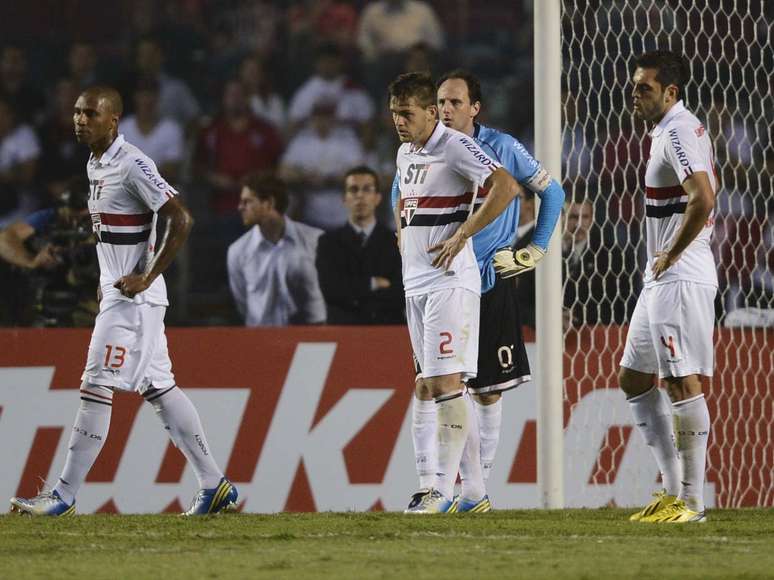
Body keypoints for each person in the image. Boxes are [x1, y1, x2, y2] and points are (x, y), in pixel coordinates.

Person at [9, 86, 236, 516]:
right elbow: (115, 233)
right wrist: (107, 275)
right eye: (76, 112)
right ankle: (214, 483)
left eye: (90, 113)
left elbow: (180, 217)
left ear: (113, 120)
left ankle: (63, 495)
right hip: (121, 293)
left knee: (96, 384)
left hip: (133, 300)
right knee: (159, 387)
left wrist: (145, 276)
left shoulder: (132, 163)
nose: (79, 120)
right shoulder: (96, 163)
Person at [396, 70, 565, 513]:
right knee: (432, 385)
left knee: (477, 388)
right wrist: (402, 232)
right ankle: (467, 490)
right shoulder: (408, 151)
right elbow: (403, 197)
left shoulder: (491, 147)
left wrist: (535, 249)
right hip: (423, 281)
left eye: (455, 103)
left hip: (478, 275)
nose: (448, 109)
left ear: (474, 107)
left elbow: (535, 190)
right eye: (442, 102)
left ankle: (454, 489)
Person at [622, 51, 718, 523]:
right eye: (634, 86)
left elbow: (704, 196)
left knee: (681, 380)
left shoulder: (678, 130)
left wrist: (671, 253)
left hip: (679, 273)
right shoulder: (666, 130)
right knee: (634, 377)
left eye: (645, 88)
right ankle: (672, 489)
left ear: (671, 93)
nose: (634, 94)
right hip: (660, 276)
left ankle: (693, 503)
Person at [227, 172, 326, 326]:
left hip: (308, 340)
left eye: (247, 202)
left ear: (269, 203)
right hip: (259, 342)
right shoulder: (238, 252)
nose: (240, 207)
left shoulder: (316, 240)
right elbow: (243, 304)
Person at [316, 165, 404, 324]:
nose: (360, 196)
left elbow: (401, 293)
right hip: (344, 332)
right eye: (353, 189)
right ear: (344, 198)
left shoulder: (397, 240)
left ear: (378, 198)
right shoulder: (328, 242)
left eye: (367, 189)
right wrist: (374, 283)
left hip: (388, 332)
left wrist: (353, 292)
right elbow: (330, 290)